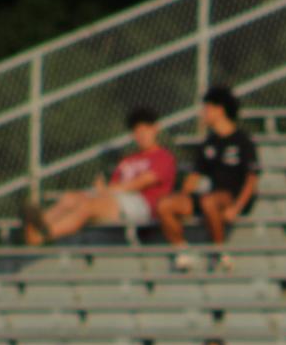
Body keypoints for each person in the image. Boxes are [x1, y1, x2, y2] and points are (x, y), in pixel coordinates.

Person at [20, 108, 177, 246]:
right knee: (70, 198)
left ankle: (42, 236)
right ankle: (38, 224)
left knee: (87, 206)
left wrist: (105, 190)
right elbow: (115, 185)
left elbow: (139, 184)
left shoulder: (163, 157)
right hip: (118, 199)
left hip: (143, 205)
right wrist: (103, 190)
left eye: (145, 130)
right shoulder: (128, 159)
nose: (141, 135)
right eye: (137, 131)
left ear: (156, 129)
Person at [158, 85, 259, 271]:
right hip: (210, 196)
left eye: (207, 108)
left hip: (231, 197)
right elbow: (195, 175)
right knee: (165, 205)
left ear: (220, 110)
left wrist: (237, 208)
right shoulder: (209, 143)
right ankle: (182, 250)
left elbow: (252, 179)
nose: (203, 113)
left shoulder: (243, 140)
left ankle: (219, 251)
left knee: (209, 201)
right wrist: (182, 197)